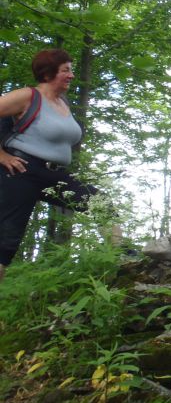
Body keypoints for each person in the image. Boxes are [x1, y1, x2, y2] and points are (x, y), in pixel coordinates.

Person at [0, 50, 98, 281]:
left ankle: (122, 255)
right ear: (48, 73)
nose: (71, 75)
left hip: (52, 175)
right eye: (66, 70)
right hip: (20, 172)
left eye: (71, 69)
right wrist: (2, 156)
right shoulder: (27, 96)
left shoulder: (62, 103)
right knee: (5, 244)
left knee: (99, 204)